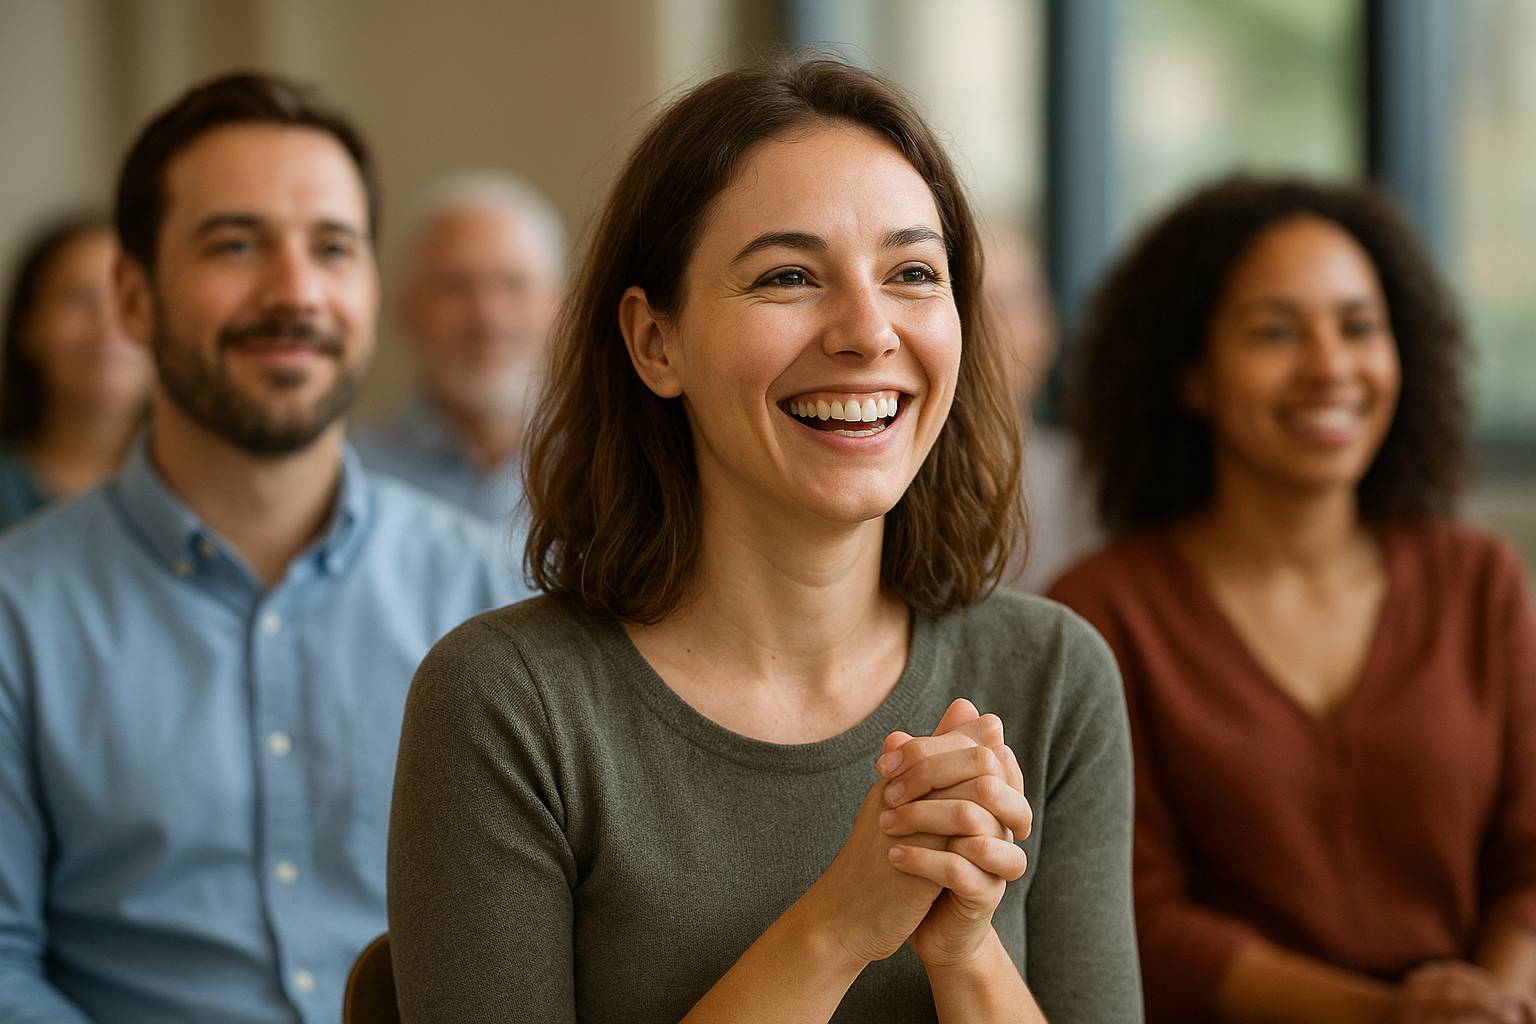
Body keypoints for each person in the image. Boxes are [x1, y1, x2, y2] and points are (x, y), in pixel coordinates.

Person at [388, 57, 1141, 1023]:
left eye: (913, 272)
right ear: (656, 343)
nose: (868, 332)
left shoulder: (1053, 674)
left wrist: (964, 948)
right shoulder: (506, 702)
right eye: (788, 276)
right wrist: (838, 926)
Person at [0, 73, 523, 1024]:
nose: (295, 294)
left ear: (369, 286)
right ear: (132, 294)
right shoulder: (14, 615)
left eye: (332, 247)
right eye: (235, 245)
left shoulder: (495, 591)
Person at [1047, 176, 1536, 1024]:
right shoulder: (1102, 612)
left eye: (1359, 327)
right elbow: (1135, 920)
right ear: (1191, 375)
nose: (1330, 367)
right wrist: (1386, 1015)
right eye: (1276, 332)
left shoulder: (1477, 582)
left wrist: (1486, 1002)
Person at [353, 171, 565, 522]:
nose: (488, 317)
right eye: (455, 286)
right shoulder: (354, 482)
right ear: (406, 309)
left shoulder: (617, 472)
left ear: (560, 310)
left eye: (513, 285)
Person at [0, 214, 153, 530]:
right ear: (27, 326)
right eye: (78, 300)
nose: (107, 329)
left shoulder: (203, 490)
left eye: (130, 302)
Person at [980, 220, 1098, 592]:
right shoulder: (879, 483)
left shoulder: (1089, 483)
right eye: (966, 299)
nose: (989, 327)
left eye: (1011, 303)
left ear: (1048, 331)